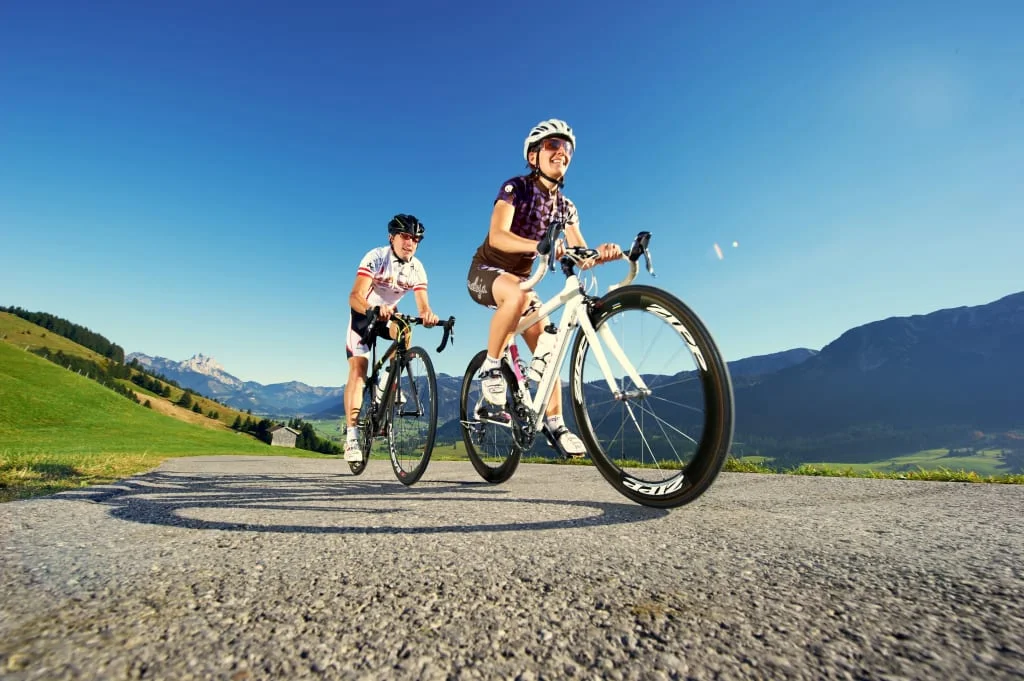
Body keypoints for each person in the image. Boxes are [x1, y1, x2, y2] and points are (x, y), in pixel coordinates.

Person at [465, 118, 622, 457]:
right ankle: (491, 367)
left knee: (549, 347)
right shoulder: (515, 188)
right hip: (486, 271)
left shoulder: (565, 207)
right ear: (534, 156)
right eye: (552, 145)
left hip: (521, 282)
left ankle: (555, 422)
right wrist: (539, 244)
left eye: (566, 148)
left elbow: (582, 252)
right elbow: (498, 236)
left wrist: (604, 253)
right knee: (518, 293)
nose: (561, 152)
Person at [344, 214, 438, 462]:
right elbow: (354, 296)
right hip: (364, 317)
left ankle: (386, 384)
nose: (410, 243)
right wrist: (372, 309)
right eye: (405, 236)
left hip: (389, 318)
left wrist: (428, 315)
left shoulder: (417, 269)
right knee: (358, 371)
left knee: (406, 328)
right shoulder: (376, 257)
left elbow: (423, 306)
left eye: (416, 239)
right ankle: (352, 436)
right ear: (392, 237)